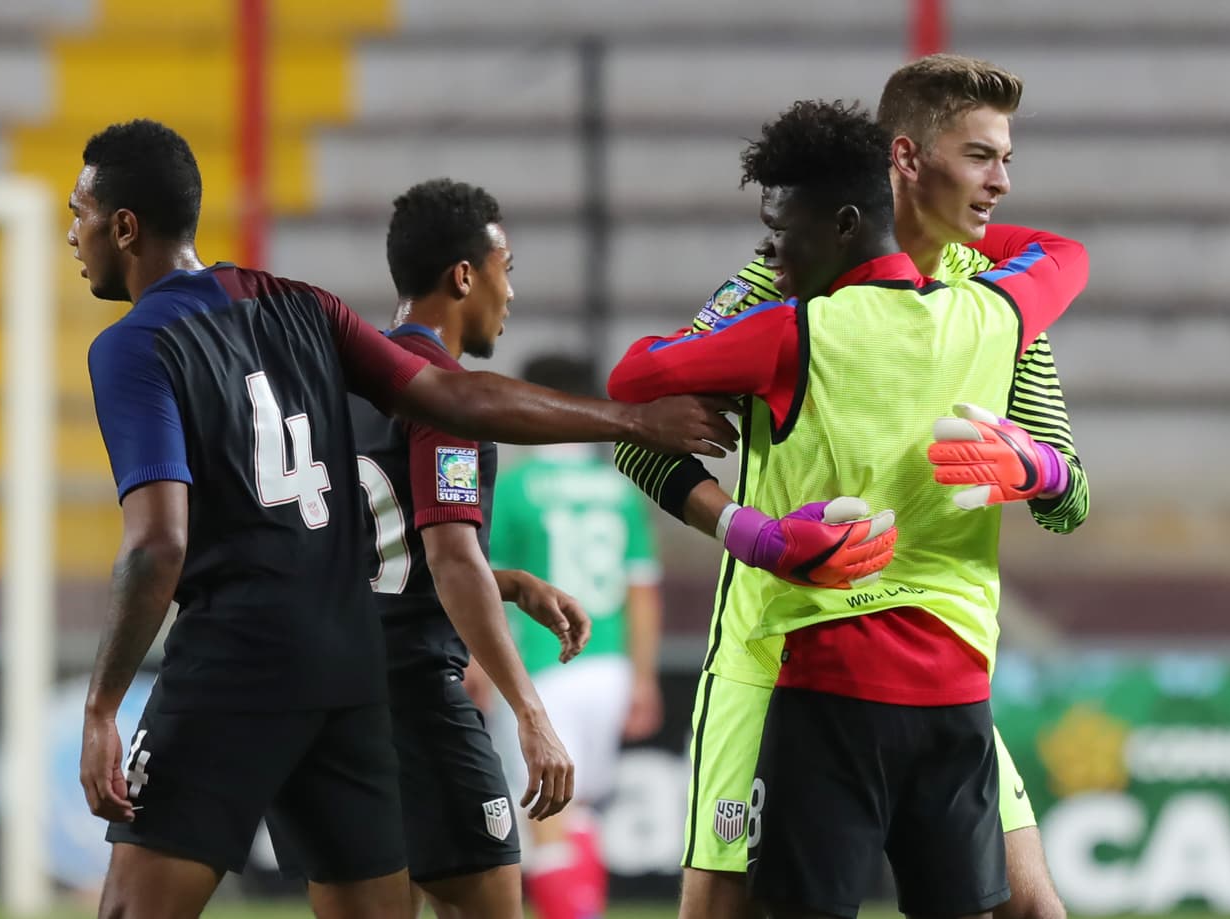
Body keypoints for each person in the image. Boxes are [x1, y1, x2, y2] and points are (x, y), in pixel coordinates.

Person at [72, 119, 740, 919]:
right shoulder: (305, 306)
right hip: (349, 668)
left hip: (237, 659)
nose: (70, 235)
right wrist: (631, 422)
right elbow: (449, 396)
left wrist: (103, 705)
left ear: (123, 225)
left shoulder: (133, 346)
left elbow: (159, 543)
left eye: (77, 213)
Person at [612, 54, 1086, 919]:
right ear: (906, 160)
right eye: (982, 157)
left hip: (939, 653)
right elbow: (640, 443)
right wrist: (750, 531)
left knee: (1031, 904)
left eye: (1005, 159)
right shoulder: (781, 279)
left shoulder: (1000, 301)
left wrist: (1041, 470)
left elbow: (1071, 496)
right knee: (720, 907)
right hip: (775, 645)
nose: (1003, 182)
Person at [346, 178, 594, 919]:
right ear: (464, 274)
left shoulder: (345, 385)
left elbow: (383, 544)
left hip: (337, 700)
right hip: (418, 696)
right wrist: (529, 709)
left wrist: (510, 582)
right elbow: (450, 555)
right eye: (505, 268)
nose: (508, 292)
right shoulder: (448, 394)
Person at [485, 353, 666, 919]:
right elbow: (642, 590)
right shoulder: (619, 490)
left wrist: (474, 660)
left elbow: (483, 588)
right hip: (608, 666)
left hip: (542, 669)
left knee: (543, 817)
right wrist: (642, 677)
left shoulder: (516, 490)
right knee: (579, 807)